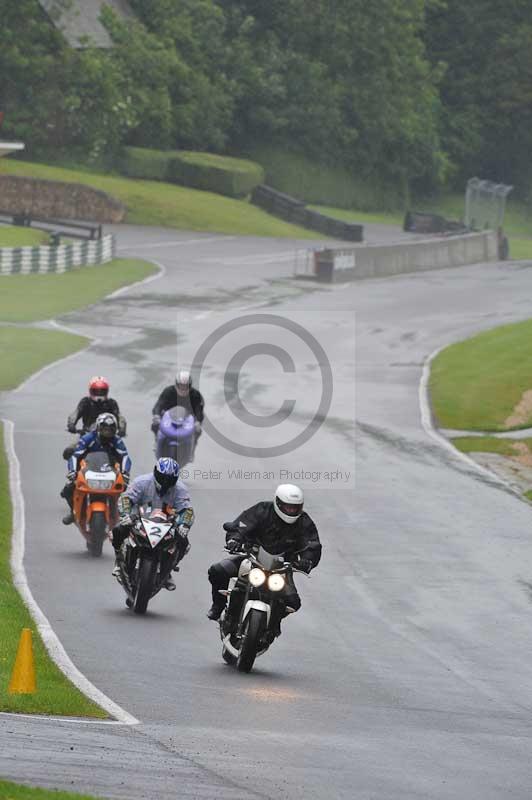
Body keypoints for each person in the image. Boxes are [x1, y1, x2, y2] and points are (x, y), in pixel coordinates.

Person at [207, 484, 321, 637]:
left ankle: (273, 623)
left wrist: (307, 560)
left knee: (293, 602)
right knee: (218, 571)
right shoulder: (262, 510)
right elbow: (242, 525)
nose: (291, 511)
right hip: (252, 559)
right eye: (287, 507)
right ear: (278, 503)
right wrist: (234, 539)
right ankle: (218, 606)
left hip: (281, 568)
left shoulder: (304, 521)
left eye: (295, 508)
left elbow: (312, 544)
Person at [111, 457, 194, 591]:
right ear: (156, 472)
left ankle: (168, 571)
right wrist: (125, 515)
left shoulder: (180, 489)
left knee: (183, 542)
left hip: (166, 523)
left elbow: (187, 510)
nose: (166, 482)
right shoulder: (142, 482)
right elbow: (126, 498)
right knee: (118, 530)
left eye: (170, 479)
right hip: (138, 519)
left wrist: (184, 524)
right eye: (163, 477)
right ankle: (119, 560)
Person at [60, 413, 131, 525]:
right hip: (87, 471)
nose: (107, 432)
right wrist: (72, 471)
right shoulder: (87, 438)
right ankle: (73, 513)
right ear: (98, 427)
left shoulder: (117, 441)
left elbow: (125, 457)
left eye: (111, 429)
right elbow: (75, 456)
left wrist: (125, 473)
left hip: (110, 471)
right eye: (104, 428)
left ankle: (126, 516)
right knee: (68, 489)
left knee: (127, 491)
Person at [151, 369, 204, 434]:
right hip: (168, 418)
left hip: (187, 419)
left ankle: (193, 442)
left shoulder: (195, 395)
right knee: (154, 426)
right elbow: (159, 404)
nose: (183, 389)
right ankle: (158, 440)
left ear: (190, 386)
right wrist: (156, 415)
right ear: (176, 384)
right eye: (181, 386)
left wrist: (198, 422)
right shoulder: (168, 391)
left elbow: (199, 410)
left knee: (198, 431)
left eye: (186, 386)